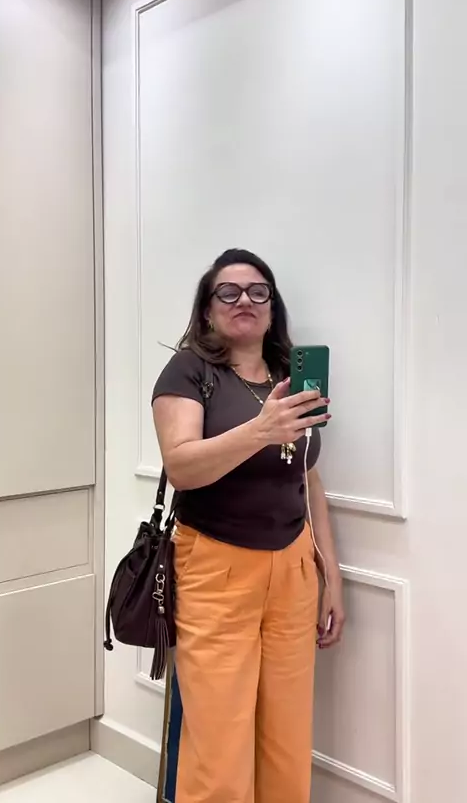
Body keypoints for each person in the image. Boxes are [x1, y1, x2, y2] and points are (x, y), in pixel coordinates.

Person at [152, 248, 345, 803]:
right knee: (219, 743)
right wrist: (260, 430)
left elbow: (308, 480)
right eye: (229, 291)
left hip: (293, 569)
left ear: (272, 307)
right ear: (207, 309)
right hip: (215, 567)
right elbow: (181, 466)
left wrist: (331, 574)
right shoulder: (190, 371)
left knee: (286, 733)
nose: (245, 300)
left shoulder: (290, 377)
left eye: (259, 291)